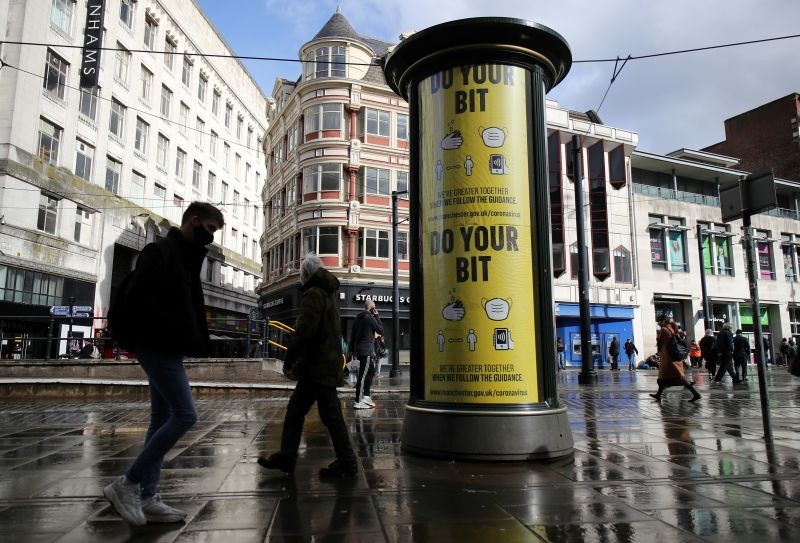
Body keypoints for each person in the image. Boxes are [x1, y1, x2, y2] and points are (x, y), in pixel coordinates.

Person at [103, 202, 224, 526]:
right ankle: (127, 483)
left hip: (168, 346)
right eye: (210, 229)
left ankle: (147, 496)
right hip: (155, 345)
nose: (210, 238)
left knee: (161, 419)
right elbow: (144, 301)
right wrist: (174, 332)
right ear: (194, 221)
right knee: (185, 415)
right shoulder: (160, 251)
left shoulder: (185, 256)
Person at [258, 253, 357, 478]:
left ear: (305, 274)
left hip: (316, 366)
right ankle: (340, 460)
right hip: (324, 364)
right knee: (326, 414)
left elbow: (304, 331)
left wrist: (290, 359)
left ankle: (294, 458)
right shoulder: (328, 293)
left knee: (301, 412)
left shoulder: (313, 294)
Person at [650, 313, 701, 402]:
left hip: (669, 357)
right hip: (672, 356)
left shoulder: (664, 330)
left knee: (679, 377)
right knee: (663, 377)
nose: (658, 323)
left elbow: (659, 340)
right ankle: (658, 395)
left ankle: (696, 394)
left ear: (663, 321)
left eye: (659, 321)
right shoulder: (672, 328)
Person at [348, 299, 384, 409]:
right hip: (366, 351)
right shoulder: (370, 318)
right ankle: (358, 401)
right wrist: (377, 316)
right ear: (372, 309)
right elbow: (381, 330)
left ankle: (366, 396)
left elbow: (353, 335)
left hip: (359, 350)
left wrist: (352, 350)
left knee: (371, 371)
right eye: (374, 307)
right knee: (362, 375)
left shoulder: (357, 318)